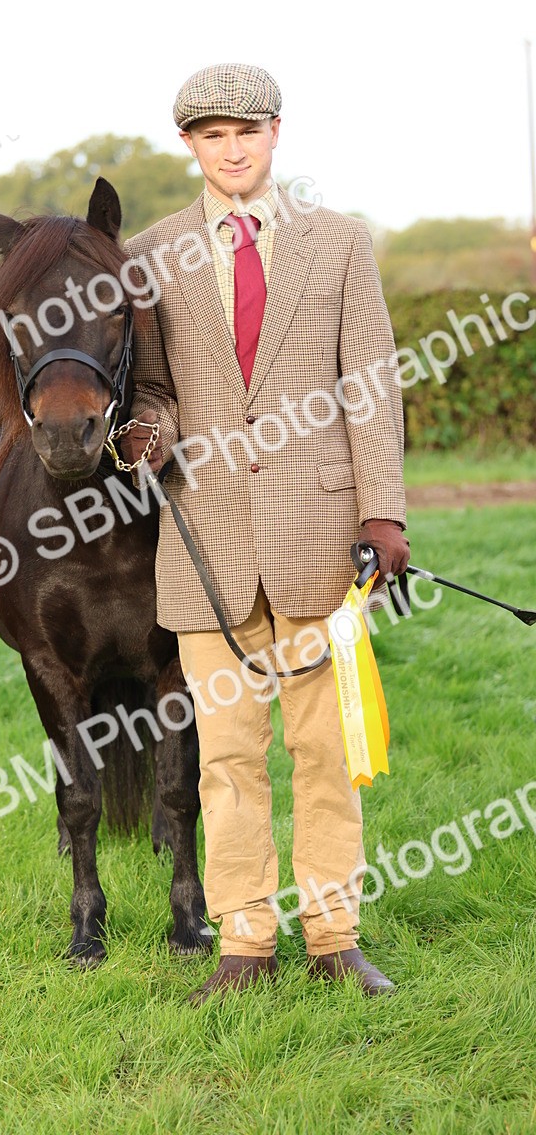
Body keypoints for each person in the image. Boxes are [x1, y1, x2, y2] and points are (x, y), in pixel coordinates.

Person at [120, 63, 410, 1006]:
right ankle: (243, 945)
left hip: (318, 540)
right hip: (206, 548)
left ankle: (333, 937)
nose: (231, 149)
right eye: (211, 135)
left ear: (277, 133)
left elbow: (370, 385)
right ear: (189, 146)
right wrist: (148, 432)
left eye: (246, 131)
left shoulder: (339, 244)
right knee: (227, 762)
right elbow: (156, 386)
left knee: (325, 757)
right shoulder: (153, 253)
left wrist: (384, 514)